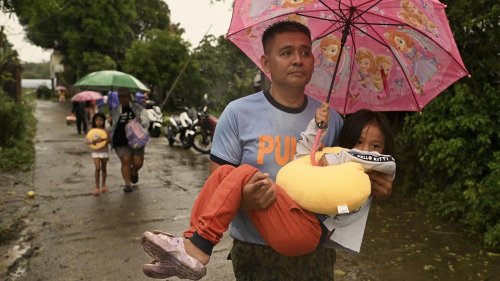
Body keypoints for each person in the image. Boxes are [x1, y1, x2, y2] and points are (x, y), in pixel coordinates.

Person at [209, 20, 393, 280]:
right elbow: (218, 183)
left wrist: (377, 188)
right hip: (256, 252)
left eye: (305, 52)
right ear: (265, 62)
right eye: (286, 52)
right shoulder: (238, 114)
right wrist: (245, 198)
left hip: (316, 249)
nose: (298, 59)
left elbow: (350, 179)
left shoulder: (332, 120)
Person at [140, 103, 396, 280]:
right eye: (359, 142)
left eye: (376, 145)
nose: (367, 150)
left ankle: (201, 246)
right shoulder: (333, 156)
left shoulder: (371, 170)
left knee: (244, 171)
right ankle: (188, 246)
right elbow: (303, 157)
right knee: (224, 173)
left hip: (307, 232)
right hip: (292, 217)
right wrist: (317, 127)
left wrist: (376, 187)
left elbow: (367, 181)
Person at [110, 88, 149, 193]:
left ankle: (134, 171)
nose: (122, 99)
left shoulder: (138, 108)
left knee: (138, 162)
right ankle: (127, 184)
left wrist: (139, 120)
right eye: (120, 97)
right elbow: (111, 126)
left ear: (129, 96)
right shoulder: (114, 109)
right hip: (120, 139)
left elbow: (146, 123)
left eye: (124, 96)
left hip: (136, 139)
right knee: (126, 161)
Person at [85, 113, 109, 196]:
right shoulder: (91, 131)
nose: (99, 122)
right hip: (95, 152)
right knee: (97, 168)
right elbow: (87, 141)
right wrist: (93, 141)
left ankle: (103, 185)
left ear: (103, 121)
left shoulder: (106, 130)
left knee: (104, 168)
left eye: (101, 120)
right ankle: (97, 187)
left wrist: (102, 139)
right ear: (94, 121)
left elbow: (108, 140)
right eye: (97, 120)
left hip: (104, 151)